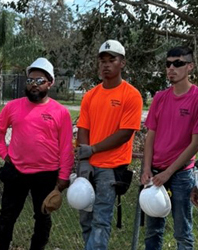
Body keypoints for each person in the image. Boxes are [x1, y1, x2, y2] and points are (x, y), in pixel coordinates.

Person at [0, 57, 74, 250]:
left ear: (50, 83)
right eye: (30, 81)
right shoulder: (13, 106)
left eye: (39, 81)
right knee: (7, 217)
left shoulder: (61, 112)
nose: (33, 85)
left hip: (46, 174)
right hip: (16, 171)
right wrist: (5, 154)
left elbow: (66, 148)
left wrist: (63, 177)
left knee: (43, 219)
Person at [76, 40, 143, 250]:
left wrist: (93, 149)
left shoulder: (131, 95)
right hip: (88, 166)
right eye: (102, 61)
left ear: (122, 63)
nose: (106, 65)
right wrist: (85, 160)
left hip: (111, 169)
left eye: (111, 60)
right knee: (85, 218)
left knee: (100, 220)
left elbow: (125, 133)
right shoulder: (91, 95)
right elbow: (83, 128)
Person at [141, 46, 198, 250]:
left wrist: (169, 172)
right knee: (152, 232)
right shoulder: (160, 97)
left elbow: (195, 144)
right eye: (168, 64)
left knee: (183, 234)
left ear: (190, 66)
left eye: (178, 63)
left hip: (181, 174)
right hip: (155, 173)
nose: (171, 68)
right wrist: (147, 168)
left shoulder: (196, 98)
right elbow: (150, 136)